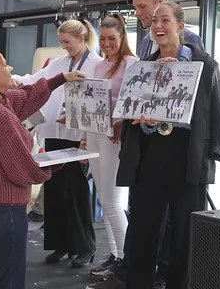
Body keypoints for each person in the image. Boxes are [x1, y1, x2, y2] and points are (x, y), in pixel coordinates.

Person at [123, 1, 220, 289]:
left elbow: (215, 111)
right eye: (154, 20)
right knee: (143, 231)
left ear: (180, 26)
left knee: (184, 237)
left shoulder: (204, 65)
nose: (157, 25)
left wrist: (216, 151)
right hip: (150, 158)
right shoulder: (143, 68)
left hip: (187, 157)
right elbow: (137, 117)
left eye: (165, 20)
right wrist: (146, 122)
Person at [0, 48, 86, 288]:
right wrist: (59, 161)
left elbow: (25, 97)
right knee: (6, 278)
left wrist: (61, 79)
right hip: (5, 208)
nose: (10, 69)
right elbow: (22, 169)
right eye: (5, 65)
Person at [12, 18, 102, 268]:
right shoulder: (59, 63)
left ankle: (84, 247)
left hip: (76, 136)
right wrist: (17, 80)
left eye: (67, 42)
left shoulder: (96, 64)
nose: (64, 47)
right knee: (54, 191)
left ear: (81, 38)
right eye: (61, 42)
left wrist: (86, 137)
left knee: (75, 191)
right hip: (53, 131)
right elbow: (37, 79)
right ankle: (60, 245)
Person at [86, 14, 139, 278]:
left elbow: (133, 102)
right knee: (104, 200)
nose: (107, 44)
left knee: (111, 201)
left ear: (122, 37)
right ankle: (116, 255)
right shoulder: (98, 66)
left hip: (114, 136)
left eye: (112, 39)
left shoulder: (132, 63)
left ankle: (128, 258)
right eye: (103, 39)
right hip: (95, 132)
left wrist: (118, 122)